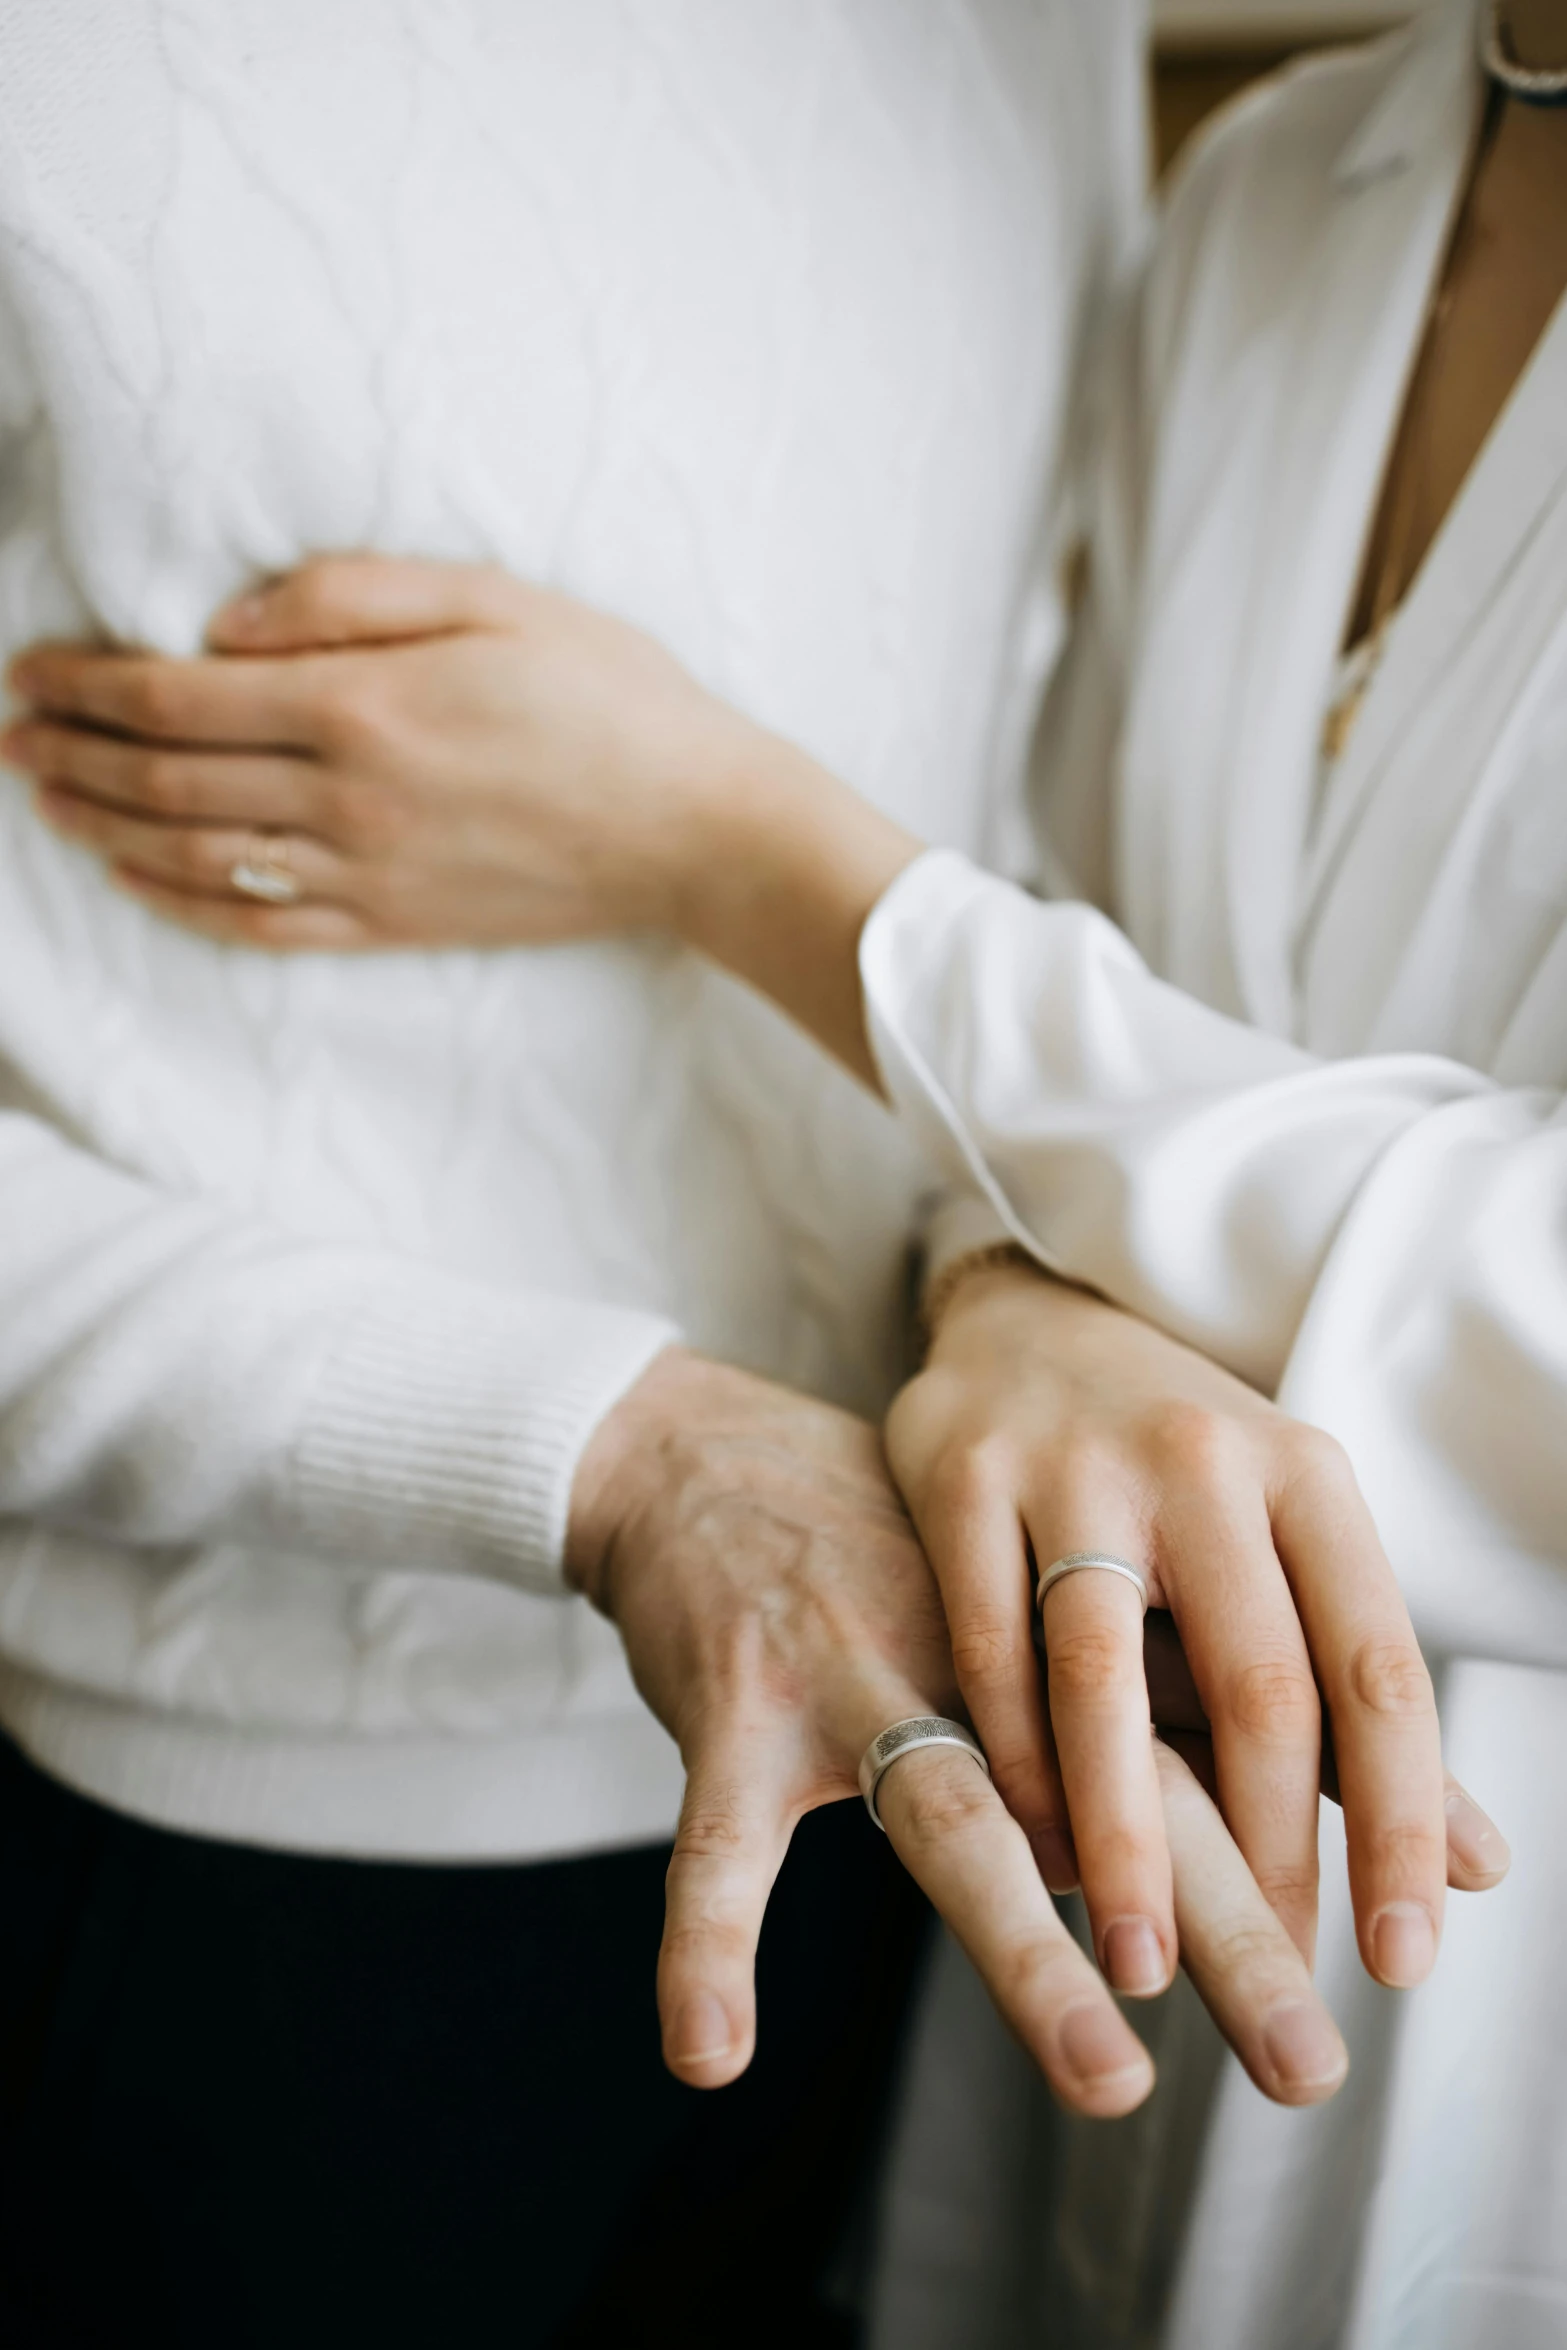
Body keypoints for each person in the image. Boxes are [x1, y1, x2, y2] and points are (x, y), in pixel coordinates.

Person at [26, 0, 1553, 2342]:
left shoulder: (1009, 43)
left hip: (971, 1857)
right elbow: (1107, 863)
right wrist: (653, 1432)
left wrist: (752, 871)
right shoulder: (1281, 187)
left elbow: (1001, 840)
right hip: (252, 1818)